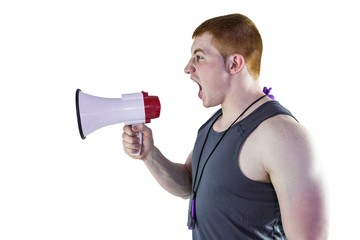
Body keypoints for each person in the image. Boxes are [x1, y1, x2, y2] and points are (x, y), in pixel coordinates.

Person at [122, 13, 329, 239]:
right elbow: (188, 185)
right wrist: (149, 154)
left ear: (234, 64)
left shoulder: (283, 136)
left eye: (199, 57)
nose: (188, 68)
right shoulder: (213, 125)